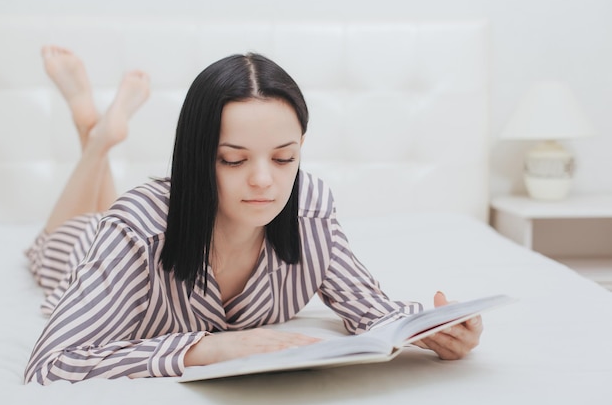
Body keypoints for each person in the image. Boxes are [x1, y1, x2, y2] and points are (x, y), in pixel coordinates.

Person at [24, 46, 483, 385]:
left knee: (112, 207)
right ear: (197, 158)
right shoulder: (133, 231)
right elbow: (50, 364)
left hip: (140, 222)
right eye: (233, 160)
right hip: (90, 246)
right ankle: (95, 138)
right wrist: (205, 348)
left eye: (284, 159)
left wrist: (435, 330)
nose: (264, 181)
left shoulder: (310, 214)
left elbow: (373, 310)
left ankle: (97, 130)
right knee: (51, 246)